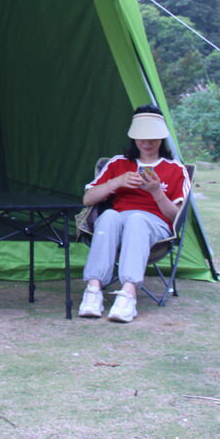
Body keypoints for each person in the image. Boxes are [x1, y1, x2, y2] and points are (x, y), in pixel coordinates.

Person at [78, 105, 190, 323]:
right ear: (134, 139)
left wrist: (157, 192)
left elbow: (175, 217)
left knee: (137, 220)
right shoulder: (118, 163)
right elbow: (88, 200)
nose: (146, 144)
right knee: (108, 216)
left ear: (161, 139)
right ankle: (93, 290)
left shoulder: (175, 169)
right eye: (141, 139)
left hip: (154, 225)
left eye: (152, 139)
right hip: (117, 221)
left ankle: (128, 294)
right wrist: (116, 182)